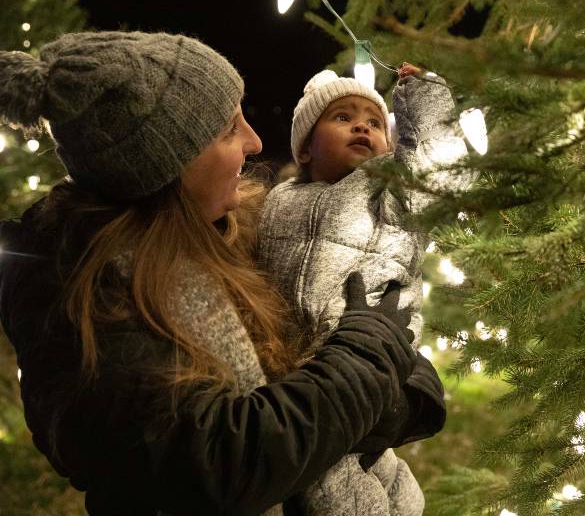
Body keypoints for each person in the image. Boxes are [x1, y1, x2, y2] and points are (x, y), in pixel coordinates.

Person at [0, 31, 445, 516]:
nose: (256, 142)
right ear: (169, 164)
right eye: (229, 130)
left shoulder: (242, 229)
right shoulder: (84, 294)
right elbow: (221, 462)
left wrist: (393, 385)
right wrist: (370, 355)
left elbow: (363, 349)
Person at [257, 64, 471, 515]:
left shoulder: (388, 191)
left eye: (375, 122)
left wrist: (426, 97)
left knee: (332, 479)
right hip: (290, 371)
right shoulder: (276, 201)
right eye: (342, 117)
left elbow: (442, 173)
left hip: (366, 361)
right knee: (364, 473)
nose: (362, 126)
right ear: (306, 148)